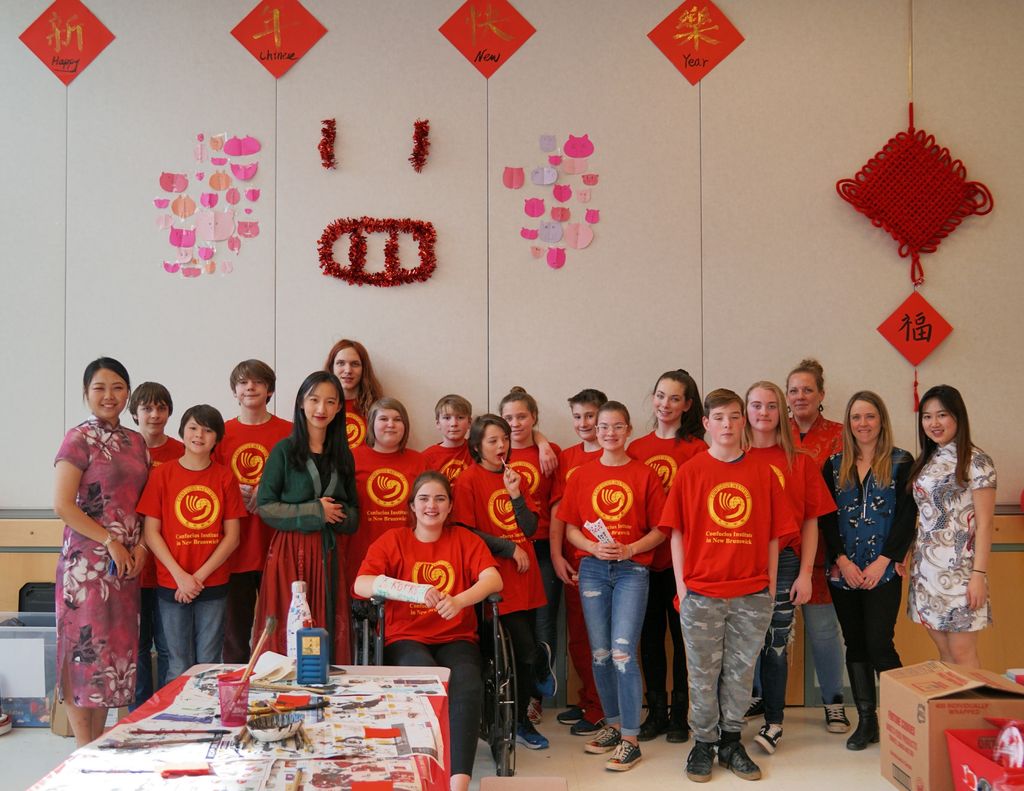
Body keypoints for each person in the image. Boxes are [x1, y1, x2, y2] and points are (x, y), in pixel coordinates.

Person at [659, 388, 797, 783]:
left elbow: (774, 535)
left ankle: (732, 742)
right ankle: (703, 743)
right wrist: (683, 588)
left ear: (743, 422)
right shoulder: (691, 472)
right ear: (706, 423)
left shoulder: (762, 473)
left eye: (734, 416)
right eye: (718, 417)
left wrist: (768, 588)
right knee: (702, 674)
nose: (727, 424)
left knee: (740, 673)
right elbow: (676, 533)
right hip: (701, 593)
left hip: (752, 593)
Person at [354, 471, 503, 791]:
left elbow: (493, 579)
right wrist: (413, 591)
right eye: (423, 499)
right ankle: (422, 775)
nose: (431, 506)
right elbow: (362, 584)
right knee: (425, 677)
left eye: (439, 499)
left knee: (466, 680)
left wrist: (460, 601)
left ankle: (458, 783)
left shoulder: (464, 539)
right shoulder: (393, 540)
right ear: (412, 505)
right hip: (405, 637)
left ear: (450, 506)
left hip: (456, 636)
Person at [559, 401, 667, 771]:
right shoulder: (582, 475)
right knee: (601, 653)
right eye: (603, 426)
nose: (609, 433)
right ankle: (615, 724)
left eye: (617, 426)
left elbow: (661, 529)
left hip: (631, 571)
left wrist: (631, 548)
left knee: (623, 653)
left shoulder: (644, 474)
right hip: (592, 570)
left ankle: (631, 740)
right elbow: (571, 527)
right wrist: (592, 547)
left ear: (628, 430)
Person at [53, 358, 150, 746]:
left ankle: (97, 746)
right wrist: (110, 541)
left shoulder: (136, 442)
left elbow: (145, 503)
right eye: (99, 388)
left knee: (111, 658)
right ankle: (82, 749)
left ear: (128, 393)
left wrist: (140, 547)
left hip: (124, 569)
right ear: (86, 393)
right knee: (84, 655)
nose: (109, 395)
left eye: (117, 387)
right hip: (86, 569)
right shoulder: (77, 438)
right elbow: (63, 505)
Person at [819, 391, 917, 751]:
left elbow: (907, 515)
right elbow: (826, 518)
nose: (863, 423)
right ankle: (867, 722)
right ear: (848, 423)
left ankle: (902, 721)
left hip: (883, 571)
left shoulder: (901, 462)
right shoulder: (833, 465)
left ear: (881, 420)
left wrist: (884, 560)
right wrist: (842, 561)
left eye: (870, 416)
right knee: (855, 643)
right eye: (856, 417)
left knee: (880, 643)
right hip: (843, 571)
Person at [744, 381, 836, 755]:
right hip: (742, 561)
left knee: (776, 644)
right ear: (745, 411)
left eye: (771, 406)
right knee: (740, 645)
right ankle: (730, 721)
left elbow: (811, 520)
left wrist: (805, 573)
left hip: (785, 562)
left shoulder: (800, 461)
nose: (763, 413)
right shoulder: (733, 458)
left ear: (781, 412)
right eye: (756, 405)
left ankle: (774, 722)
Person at [451, 414, 548, 750]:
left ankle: (521, 717)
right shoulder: (468, 480)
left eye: (504, 439)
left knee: (527, 652)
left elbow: (530, 528)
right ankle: (511, 719)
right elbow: (464, 531)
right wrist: (508, 548)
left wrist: (516, 494)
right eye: (492, 440)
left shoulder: (515, 477)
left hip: (525, 578)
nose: (501, 445)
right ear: (477, 447)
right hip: (495, 579)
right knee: (519, 653)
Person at [255, 372, 360, 661]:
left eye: (330, 401)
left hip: (328, 554)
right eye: (314, 400)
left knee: (326, 630)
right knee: (289, 630)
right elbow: (265, 506)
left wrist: (336, 514)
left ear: (339, 407)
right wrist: (315, 511)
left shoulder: (343, 455)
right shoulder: (284, 450)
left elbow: (354, 516)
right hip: (290, 552)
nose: (321, 409)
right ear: (302, 403)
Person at [627, 369, 706, 744]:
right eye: (660, 395)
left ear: (687, 405)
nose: (665, 404)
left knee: (683, 638)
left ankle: (680, 715)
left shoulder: (698, 450)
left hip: (685, 562)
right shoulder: (637, 449)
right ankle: (656, 712)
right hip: (644, 560)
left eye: (675, 398)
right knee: (650, 638)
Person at [140, 405, 245, 682]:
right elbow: (151, 533)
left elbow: (232, 537)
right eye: (193, 428)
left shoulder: (225, 477)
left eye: (208, 430)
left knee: (209, 663)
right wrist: (180, 577)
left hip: (213, 584)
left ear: (217, 438)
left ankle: (206, 710)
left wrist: (197, 578)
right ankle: (177, 712)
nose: (199, 435)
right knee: (178, 664)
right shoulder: (161, 475)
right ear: (182, 431)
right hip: (172, 583)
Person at [783, 358, 850, 734]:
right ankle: (759, 695)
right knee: (766, 629)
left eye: (807, 389)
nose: (800, 396)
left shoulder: (842, 435)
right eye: (793, 390)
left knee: (823, 630)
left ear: (821, 394)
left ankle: (833, 701)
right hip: (778, 547)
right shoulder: (774, 433)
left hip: (827, 545)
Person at [908, 385, 995, 668]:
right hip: (926, 571)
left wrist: (978, 575)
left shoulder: (977, 461)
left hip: (961, 573)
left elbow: (985, 524)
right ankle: (953, 700)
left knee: (962, 653)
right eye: (927, 416)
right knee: (945, 653)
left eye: (942, 415)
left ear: (958, 416)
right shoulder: (928, 459)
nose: (933, 423)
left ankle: (974, 699)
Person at [214, 359, 291, 663]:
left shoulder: (290, 432)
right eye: (243, 382)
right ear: (234, 391)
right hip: (235, 547)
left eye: (258, 382)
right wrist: (236, 496)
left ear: (269, 390)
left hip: (277, 543)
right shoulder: (220, 433)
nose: (250, 387)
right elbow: (208, 481)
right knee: (234, 632)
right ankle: (237, 685)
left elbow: (301, 482)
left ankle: (281, 683)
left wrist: (270, 494)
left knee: (280, 628)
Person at [498, 386, 560, 726]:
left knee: (544, 623)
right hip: (508, 552)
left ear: (534, 417)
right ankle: (512, 694)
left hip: (542, 548)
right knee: (514, 626)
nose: (515, 423)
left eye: (522, 416)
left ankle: (536, 695)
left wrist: (542, 441)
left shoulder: (549, 453)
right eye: (508, 417)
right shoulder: (496, 452)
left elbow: (557, 506)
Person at [549, 388, 608, 735]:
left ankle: (602, 706)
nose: (584, 423)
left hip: (608, 565)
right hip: (575, 562)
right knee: (579, 639)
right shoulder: (568, 457)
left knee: (602, 638)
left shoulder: (617, 454)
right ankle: (588, 699)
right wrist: (556, 555)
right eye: (577, 416)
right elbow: (559, 511)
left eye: (590, 416)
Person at [127, 381, 184, 707]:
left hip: (168, 566)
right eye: (147, 408)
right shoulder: (124, 450)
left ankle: (166, 711)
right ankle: (137, 715)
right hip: (131, 562)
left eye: (161, 408)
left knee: (167, 647)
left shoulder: (182, 451)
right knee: (135, 648)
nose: (154, 414)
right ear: (135, 413)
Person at [348, 398, 428, 583]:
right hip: (361, 555)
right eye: (383, 419)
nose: (391, 424)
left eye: (397, 419)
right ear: (371, 424)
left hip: (409, 556)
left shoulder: (419, 461)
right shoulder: (352, 458)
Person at [324, 338, 383, 449]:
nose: (348, 370)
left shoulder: (378, 409)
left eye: (355, 364)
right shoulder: (319, 408)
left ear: (364, 369)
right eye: (341, 363)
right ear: (331, 367)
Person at [421, 394, 473, 484]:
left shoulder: (478, 451)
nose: (454, 423)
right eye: (447, 418)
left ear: (469, 422)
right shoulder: (426, 458)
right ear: (438, 423)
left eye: (460, 417)